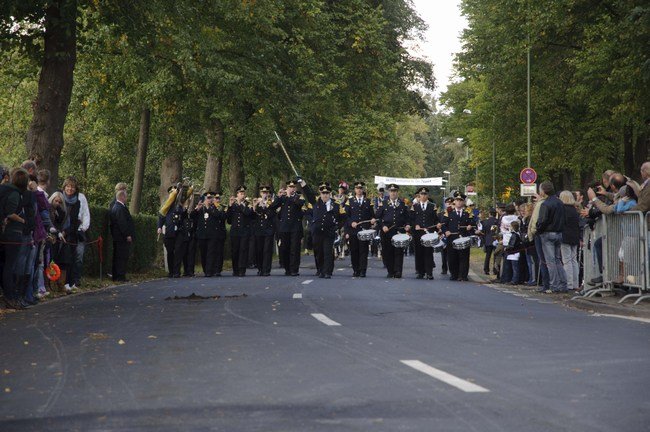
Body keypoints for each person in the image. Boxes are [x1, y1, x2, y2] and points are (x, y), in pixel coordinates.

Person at [1, 169, 30, 309]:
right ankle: (10, 296)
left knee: (3, 264)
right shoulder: (15, 194)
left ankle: (8, 295)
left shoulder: (4, 189)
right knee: (9, 266)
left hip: (4, 234)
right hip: (12, 234)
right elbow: (10, 213)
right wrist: (23, 221)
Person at [303, 182, 344, 278]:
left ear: (330, 194)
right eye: (323, 193)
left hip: (329, 232)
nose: (325, 195)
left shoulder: (336, 204)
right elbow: (309, 194)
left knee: (327, 252)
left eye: (327, 193)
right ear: (320, 194)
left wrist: (337, 226)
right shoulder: (315, 202)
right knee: (319, 252)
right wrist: (303, 184)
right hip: (317, 232)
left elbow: (343, 217)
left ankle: (327, 272)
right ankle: (321, 270)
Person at [536, 181, 568, 293]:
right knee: (558, 260)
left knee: (550, 261)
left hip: (547, 233)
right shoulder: (560, 202)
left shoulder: (545, 204)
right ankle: (563, 284)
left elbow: (542, 220)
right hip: (559, 232)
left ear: (543, 191)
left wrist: (539, 229)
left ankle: (554, 285)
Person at [375, 184, 410, 278]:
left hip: (399, 231)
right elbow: (378, 218)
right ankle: (390, 271)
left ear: (397, 192)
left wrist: (407, 225)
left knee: (399, 252)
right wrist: (383, 226)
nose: (393, 193)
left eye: (395, 191)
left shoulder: (403, 204)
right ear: (389, 192)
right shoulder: (383, 203)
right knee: (388, 251)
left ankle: (398, 271)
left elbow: (407, 218)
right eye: (391, 191)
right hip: (387, 232)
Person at [62, 176, 90, 290]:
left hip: (77, 230)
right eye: (68, 186)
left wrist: (83, 228)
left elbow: (85, 214)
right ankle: (64, 280)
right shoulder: (60, 197)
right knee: (65, 256)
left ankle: (75, 279)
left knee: (78, 256)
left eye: (72, 187)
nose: (70, 189)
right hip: (64, 231)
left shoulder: (80, 198)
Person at [442, 192, 476, 281]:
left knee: (464, 257)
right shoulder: (449, 211)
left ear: (463, 202)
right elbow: (443, 224)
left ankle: (463, 275)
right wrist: (446, 231)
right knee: (452, 257)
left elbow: (473, 224)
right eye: (457, 200)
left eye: (461, 200)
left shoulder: (468, 212)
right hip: (452, 238)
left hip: (464, 238)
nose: (459, 202)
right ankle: (454, 274)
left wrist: (470, 226)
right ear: (454, 201)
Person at [344, 182, 375, 277]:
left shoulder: (368, 201)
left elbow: (372, 215)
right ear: (355, 190)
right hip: (353, 231)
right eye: (357, 188)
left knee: (364, 251)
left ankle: (362, 270)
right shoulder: (349, 201)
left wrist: (373, 220)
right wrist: (351, 223)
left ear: (363, 190)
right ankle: (356, 270)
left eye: (361, 188)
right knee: (354, 251)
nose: (359, 190)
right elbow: (346, 216)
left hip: (364, 230)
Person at [276, 180, 305, 276]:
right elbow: (273, 206)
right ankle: (287, 268)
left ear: (295, 188)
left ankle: (294, 269)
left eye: (293, 187)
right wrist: (278, 196)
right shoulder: (283, 198)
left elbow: (300, 204)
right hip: (284, 227)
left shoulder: (299, 197)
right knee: (285, 248)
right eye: (290, 187)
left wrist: (289, 196)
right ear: (287, 188)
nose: (291, 189)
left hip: (295, 227)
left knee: (294, 249)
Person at [193, 192, 225, 277]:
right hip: (202, 234)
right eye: (208, 198)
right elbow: (192, 216)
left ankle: (209, 271)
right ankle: (205, 269)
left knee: (210, 252)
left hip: (212, 235)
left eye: (211, 198)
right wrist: (197, 209)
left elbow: (218, 215)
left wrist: (209, 208)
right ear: (204, 199)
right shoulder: (201, 208)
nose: (210, 199)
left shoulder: (215, 207)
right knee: (203, 253)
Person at [410, 187, 440, 280]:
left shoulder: (432, 206)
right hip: (418, 233)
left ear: (428, 195)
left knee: (428, 253)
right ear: (419, 195)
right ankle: (420, 272)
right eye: (422, 194)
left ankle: (429, 273)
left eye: (425, 194)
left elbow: (435, 219)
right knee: (419, 253)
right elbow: (411, 219)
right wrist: (415, 225)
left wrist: (437, 225)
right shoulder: (414, 206)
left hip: (428, 233)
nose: (423, 196)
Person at [227, 186, 254, 276]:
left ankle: (242, 270)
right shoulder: (233, 205)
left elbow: (248, 213)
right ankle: (235, 270)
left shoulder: (247, 204)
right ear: (237, 194)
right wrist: (230, 206)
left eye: (243, 193)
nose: (242, 195)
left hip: (244, 231)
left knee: (243, 250)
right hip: (235, 231)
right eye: (240, 193)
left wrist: (241, 205)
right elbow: (229, 220)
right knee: (235, 251)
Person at [109, 189, 135, 282]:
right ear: (122, 197)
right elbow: (122, 223)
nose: (126, 198)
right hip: (121, 238)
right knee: (121, 257)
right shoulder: (120, 208)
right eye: (126, 196)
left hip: (118, 237)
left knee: (118, 256)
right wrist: (127, 234)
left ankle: (117, 276)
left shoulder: (117, 207)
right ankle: (120, 277)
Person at [559, 191, 580, 291]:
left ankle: (568, 283)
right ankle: (575, 283)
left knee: (566, 260)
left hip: (565, 236)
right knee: (574, 260)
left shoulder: (562, 210)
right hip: (574, 236)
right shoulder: (574, 210)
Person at [253, 186, 276, 277]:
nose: (265, 194)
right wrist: (255, 206)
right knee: (259, 250)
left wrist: (266, 205)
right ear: (260, 193)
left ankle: (266, 269)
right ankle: (260, 268)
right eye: (263, 192)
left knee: (267, 250)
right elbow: (252, 215)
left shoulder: (271, 204)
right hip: (259, 230)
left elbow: (272, 215)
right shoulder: (257, 203)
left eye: (266, 192)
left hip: (268, 230)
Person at [502, 220, 522, 284]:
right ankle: (512, 279)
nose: (509, 228)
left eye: (510, 226)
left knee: (514, 267)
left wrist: (506, 248)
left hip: (514, 253)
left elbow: (512, 245)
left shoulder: (514, 235)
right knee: (513, 267)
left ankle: (514, 280)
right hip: (513, 253)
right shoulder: (516, 234)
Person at [438, 197, 453, 275]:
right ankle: (444, 269)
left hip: (451, 235)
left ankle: (452, 269)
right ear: (445, 204)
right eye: (447, 203)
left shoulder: (454, 213)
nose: (449, 204)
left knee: (451, 254)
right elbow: (438, 224)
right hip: (443, 236)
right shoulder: (441, 214)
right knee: (443, 254)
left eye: (451, 203)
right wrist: (439, 232)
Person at [481, 208, 498, 275]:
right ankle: (495, 269)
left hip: (488, 240)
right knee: (496, 255)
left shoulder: (485, 222)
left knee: (488, 255)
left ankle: (486, 269)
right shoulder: (497, 221)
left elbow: (483, 232)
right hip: (496, 239)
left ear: (489, 214)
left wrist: (483, 240)